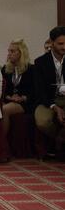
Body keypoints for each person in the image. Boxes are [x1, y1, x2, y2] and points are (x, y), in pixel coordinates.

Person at [34, 26, 65, 159]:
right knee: (42, 121)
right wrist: (54, 106)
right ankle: (59, 138)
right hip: (48, 100)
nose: (64, 47)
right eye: (60, 44)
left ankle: (60, 141)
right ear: (51, 43)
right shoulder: (41, 62)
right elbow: (39, 90)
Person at [1, 39, 35, 137]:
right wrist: (8, 97)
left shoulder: (31, 69)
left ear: (21, 53)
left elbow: (34, 90)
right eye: (8, 51)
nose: (9, 54)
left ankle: (2, 142)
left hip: (25, 102)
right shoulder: (5, 69)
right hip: (9, 99)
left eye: (12, 51)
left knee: (4, 110)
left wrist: (23, 98)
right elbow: (2, 89)